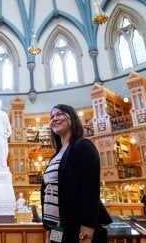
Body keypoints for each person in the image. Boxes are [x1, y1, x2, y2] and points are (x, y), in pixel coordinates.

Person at [41, 104, 111, 243]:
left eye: (60, 114)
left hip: (77, 231)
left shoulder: (83, 146)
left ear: (72, 117)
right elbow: (50, 197)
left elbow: (90, 194)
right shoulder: (54, 157)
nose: (55, 118)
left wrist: (85, 238)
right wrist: (50, 237)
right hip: (58, 229)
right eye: (52, 117)